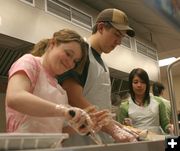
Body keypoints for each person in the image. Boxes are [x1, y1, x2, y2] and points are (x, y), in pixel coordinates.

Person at [58, 8, 136, 146]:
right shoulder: (81, 52)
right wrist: (112, 128)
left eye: (122, 37)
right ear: (101, 27)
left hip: (97, 140)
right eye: (116, 34)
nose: (119, 42)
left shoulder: (103, 64)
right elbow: (74, 97)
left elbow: (98, 104)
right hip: (78, 141)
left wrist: (116, 125)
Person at [5, 29, 93, 136]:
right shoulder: (30, 62)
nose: (70, 63)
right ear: (52, 43)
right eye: (68, 54)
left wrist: (80, 126)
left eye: (75, 61)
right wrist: (63, 110)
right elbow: (14, 97)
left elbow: (56, 133)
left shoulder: (59, 90)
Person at [117, 68, 173, 135]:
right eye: (135, 82)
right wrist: (126, 127)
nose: (139, 85)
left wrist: (170, 128)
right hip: (136, 143)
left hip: (157, 141)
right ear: (131, 84)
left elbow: (165, 125)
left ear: (147, 84)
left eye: (143, 82)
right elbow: (121, 130)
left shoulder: (158, 102)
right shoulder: (124, 106)